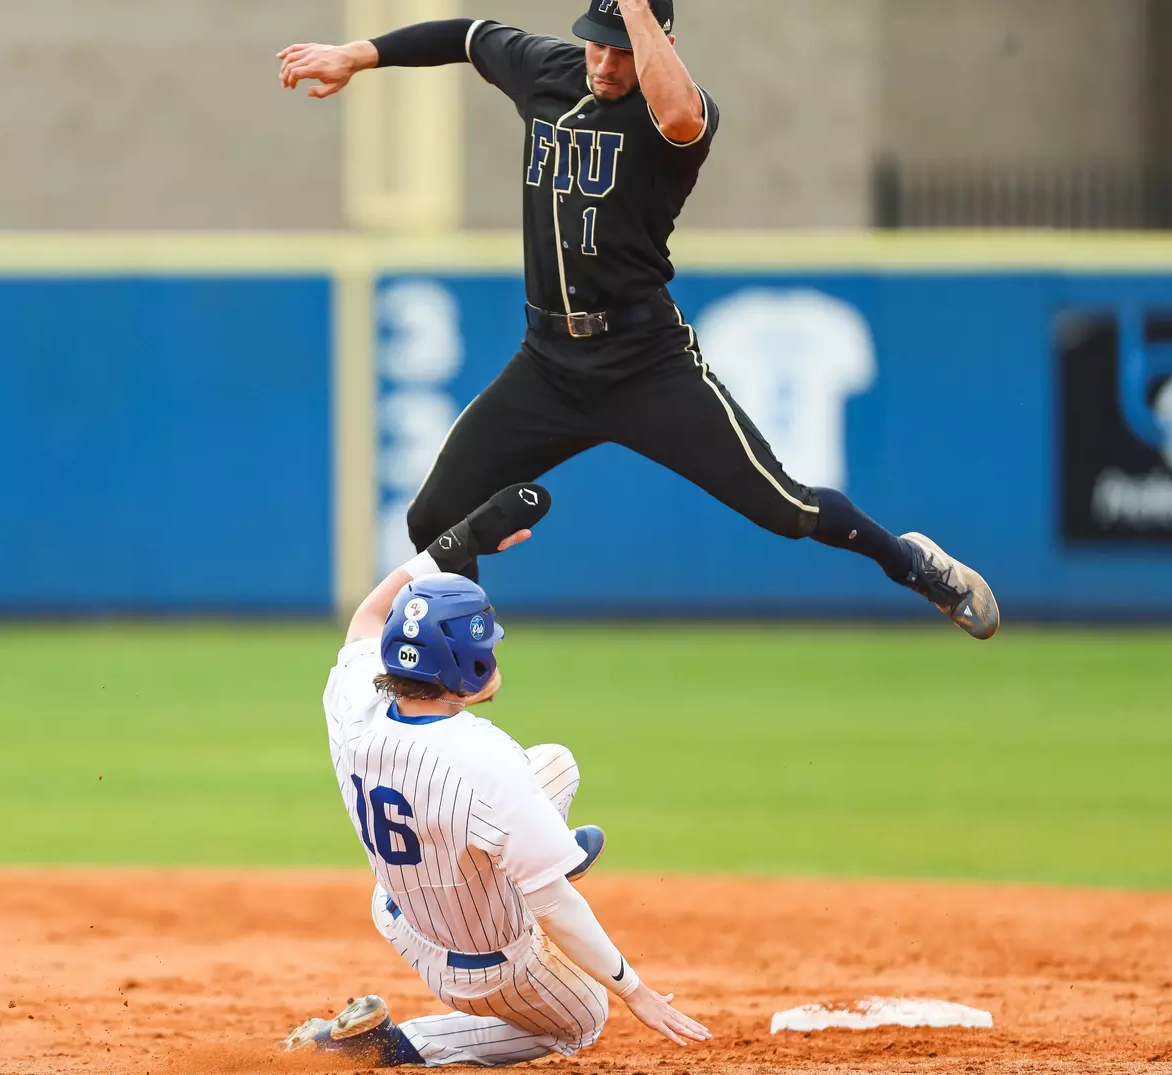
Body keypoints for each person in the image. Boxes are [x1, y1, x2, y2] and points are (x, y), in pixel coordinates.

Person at [278, 0, 1000, 640]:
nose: (603, 59)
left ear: (659, 44)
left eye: (621, 47)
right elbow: (468, 34)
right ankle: (467, 648)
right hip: (550, 362)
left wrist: (638, 13)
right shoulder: (550, 70)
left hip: (644, 362)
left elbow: (681, 115)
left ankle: (913, 563)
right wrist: (356, 55)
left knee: (785, 508)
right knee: (433, 517)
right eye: (597, 41)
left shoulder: (676, 114)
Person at [283, 484, 710, 1067]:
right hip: (487, 964)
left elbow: (370, 615)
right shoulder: (484, 757)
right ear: (470, 666)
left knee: (555, 764)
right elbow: (559, 908)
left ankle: (538, 853)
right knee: (585, 1018)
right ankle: (388, 1047)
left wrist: (458, 542)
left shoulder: (353, 697)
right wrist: (635, 990)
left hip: (400, 910)